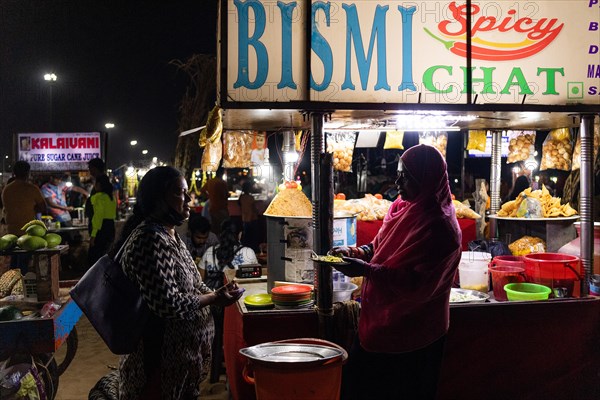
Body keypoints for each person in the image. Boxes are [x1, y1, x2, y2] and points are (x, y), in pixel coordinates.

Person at [331, 144, 462, 400]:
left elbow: (417, 285)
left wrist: (366, 270)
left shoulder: (441, 229)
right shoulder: (401, 207)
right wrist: (357, 253)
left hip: (414, 334)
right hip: (380, 322)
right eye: (399, 173)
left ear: (426, 180)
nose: (397, 181)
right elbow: (379, 246)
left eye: (406, 176)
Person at [111, 166, 243, 399]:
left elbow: (194, 283)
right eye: (179, 193)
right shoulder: (149, 239)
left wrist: (218, 293)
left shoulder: (168, 234)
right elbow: (168, 304)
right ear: (158, 199)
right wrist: (213, 298)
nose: (188, 199)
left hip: (182, 365)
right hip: (157, 366)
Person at [198, 220, 258, 383]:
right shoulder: (247, 252)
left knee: (218, 334)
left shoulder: (209, 252)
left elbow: (200, 282)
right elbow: (252, 282)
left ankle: (215, 371)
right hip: (235, 307)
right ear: (240, 234)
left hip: (213, 309)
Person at [1, 161, 47, 273]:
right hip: (28, 232)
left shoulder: (6, 190)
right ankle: (21, 286)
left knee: (14, 260)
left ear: (14, 173)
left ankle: (12, 285)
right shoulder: (32, 189)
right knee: (23, 262)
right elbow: (43, 208)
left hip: (11, 231)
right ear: (28, 173)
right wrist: (33, 209)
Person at [87, 174, 117, 267]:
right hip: (110, 227)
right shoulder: (111, 197)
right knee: (106, 254)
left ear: (99, 185)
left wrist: (93, 235)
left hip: (101, 229)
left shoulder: (98, 197)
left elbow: (98, 216)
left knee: (95, 257)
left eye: (95, 184)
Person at [200, 169, 229, 235]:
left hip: (212, 208)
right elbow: (226, 194)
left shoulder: (210, 182)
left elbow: (202, 191)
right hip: (222, 208)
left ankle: (215, 243)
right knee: (223, 228)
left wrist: (209, 196)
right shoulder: (222, 183)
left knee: (214, 228)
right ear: (221, 174)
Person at [238, 180, 260, 251]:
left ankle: (246, 250)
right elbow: (253, 209)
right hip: (252, 219)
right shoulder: (250, 198)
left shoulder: (241, 197)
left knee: (246, 239)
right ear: (249, 188)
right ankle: (254, 251)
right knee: (254, 239)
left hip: (245, 219)